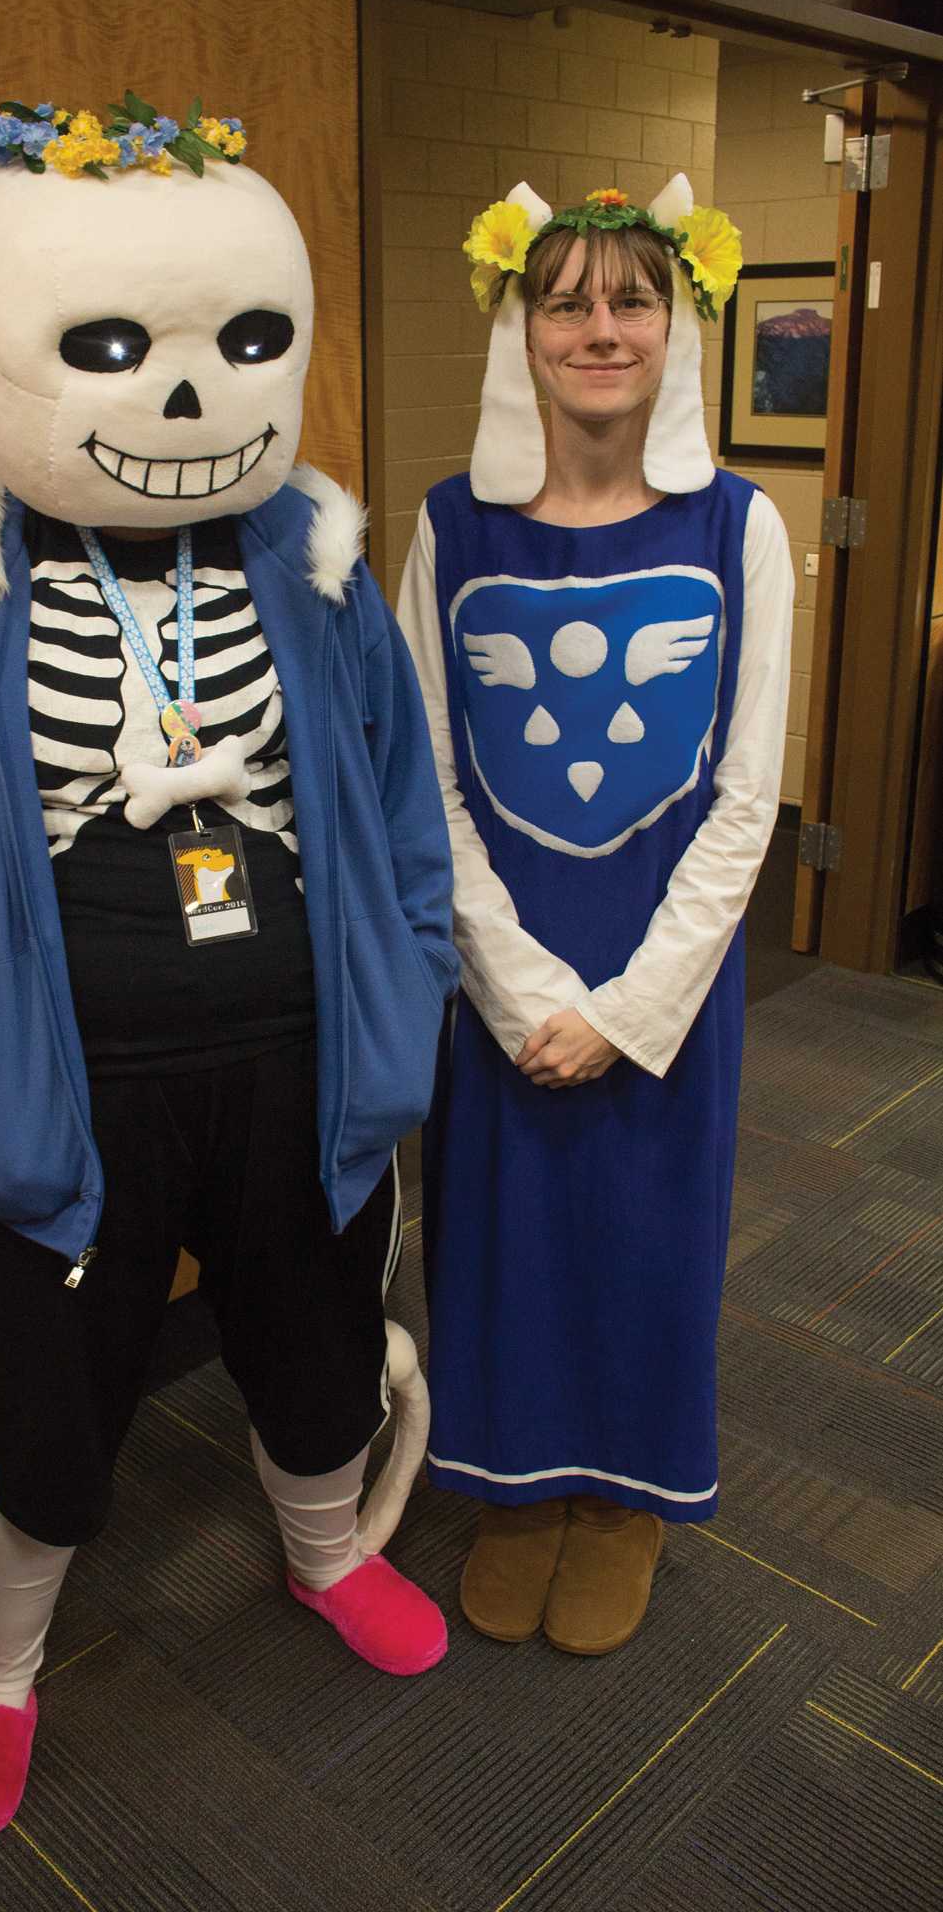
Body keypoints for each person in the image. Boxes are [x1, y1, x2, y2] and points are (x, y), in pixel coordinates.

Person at [0, 94, 458, 1840]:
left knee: (317, 1341)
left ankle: (325, 1555)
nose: (183, 400)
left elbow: (404, 812)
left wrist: (400, 1006)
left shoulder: (313, 556)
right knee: (49, 1404)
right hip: (55, 1077)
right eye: (111, 349)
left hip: (301, 1055)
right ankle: (3, 1670)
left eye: (237, 344)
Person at [395, 176, 793, 1657]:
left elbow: (745, 796)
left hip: (661, 976)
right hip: (501, 964)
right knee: (498, 1234)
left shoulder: (735, 525)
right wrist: (514, 990)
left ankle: (622, 1500)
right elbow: (419, 774)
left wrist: (627, 1010)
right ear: (523, 326)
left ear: (673, 322)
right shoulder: (449, 527)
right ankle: (512, 1492)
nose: (599, 328)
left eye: (631, 298)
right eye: (565, 301)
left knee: (642, 1234)